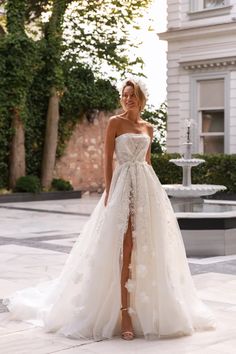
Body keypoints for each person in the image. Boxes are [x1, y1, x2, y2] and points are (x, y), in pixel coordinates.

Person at [3, 78, 215, 341]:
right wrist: (109, 191)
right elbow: (107, 160)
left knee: (148, 246)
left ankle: (147, 308)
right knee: (124, 247)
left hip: (147, 188)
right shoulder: (115, 123)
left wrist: (156, 195)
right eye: (125, 95)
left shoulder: (149, 127)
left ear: (140, 98)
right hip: (122, 186)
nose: (128, 99)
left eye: (132, 95)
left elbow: (147, 162)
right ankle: (124, 312)